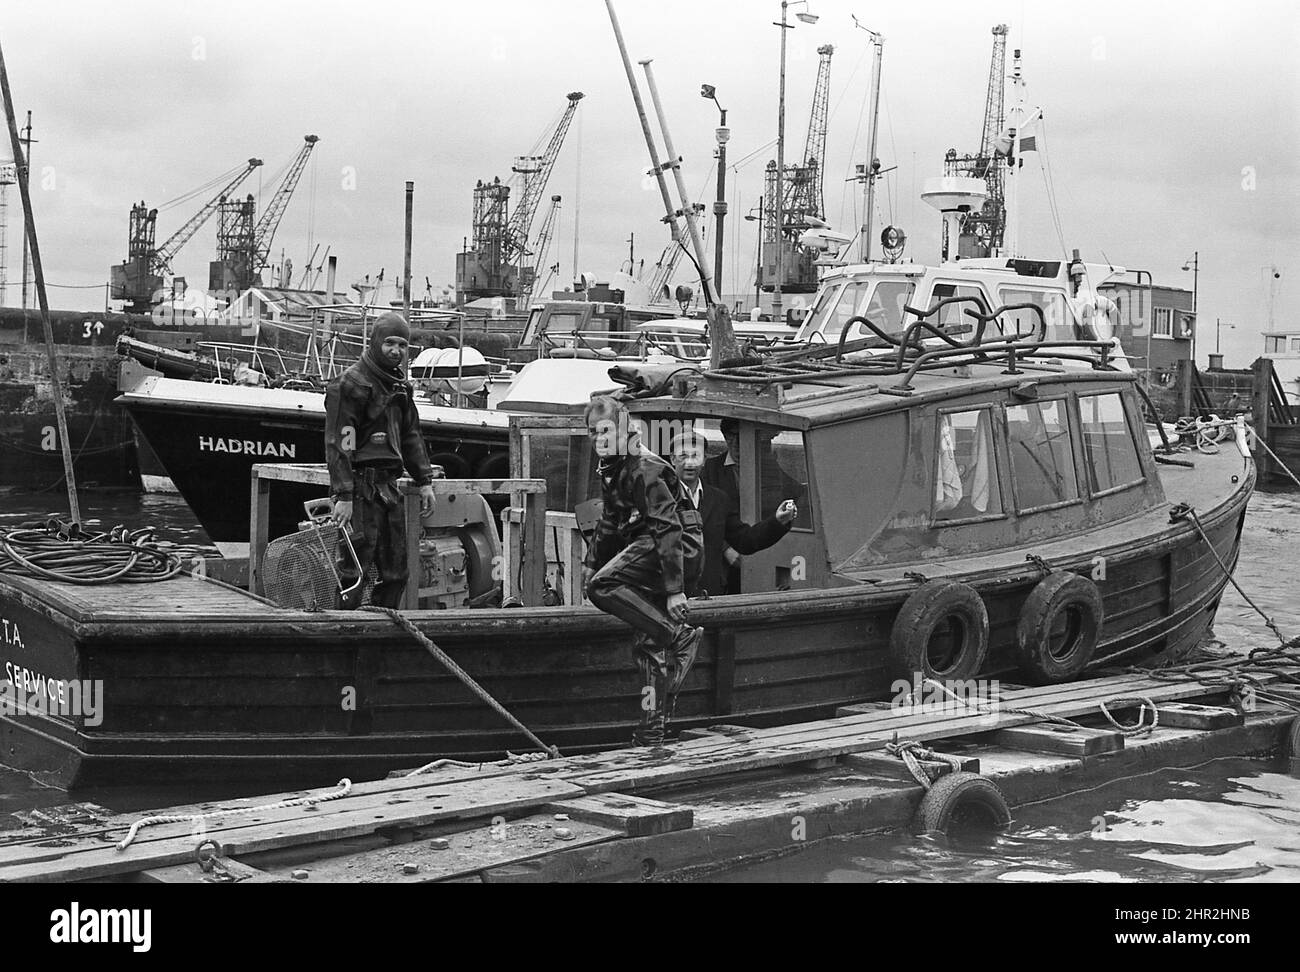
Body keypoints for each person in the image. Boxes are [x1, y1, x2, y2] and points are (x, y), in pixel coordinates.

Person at [582, 396, 703, 747]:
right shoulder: (613, 467)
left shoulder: (645, 468)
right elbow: (610, 518)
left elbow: (667, 528)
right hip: (654, 552)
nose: (598, 438)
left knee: (603, 586)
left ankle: (679, 636)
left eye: (606, 431)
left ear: (624, 431)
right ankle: (653, 729)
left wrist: (674, 590)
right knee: (648, 647)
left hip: (676, 548)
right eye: (592, 432)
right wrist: (590, 561)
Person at [325, 312, 438, 609]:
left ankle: (381, 627)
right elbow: (340, 442)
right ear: (374, 342)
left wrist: (425, 480)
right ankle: (345, 632)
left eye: (402, 345)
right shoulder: (350, 384)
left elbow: (411, 435)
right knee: (354, 572)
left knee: (397, 572)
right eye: (389, 342)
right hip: (359, 492)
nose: (396, 351)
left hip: (389, 490)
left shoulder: (401, 387)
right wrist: (344, 494)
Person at [670, 429, 796, 598]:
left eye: (695, 456)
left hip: (710, 595)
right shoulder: (659, 498)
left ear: (704, 460)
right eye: (683, 456)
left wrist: (778, 521)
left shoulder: (718, 499)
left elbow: (745, 540)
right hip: (671, 599)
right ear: (672, 460)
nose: (689, 463)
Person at [701, 417, 805, 592]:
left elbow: (795, 492)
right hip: (722, 564)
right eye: (730, 437)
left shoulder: (768, 467)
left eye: (741, 437)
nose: (736, 443)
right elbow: (703, 518)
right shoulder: (709, 471)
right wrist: (726, 550)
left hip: (761, 547)